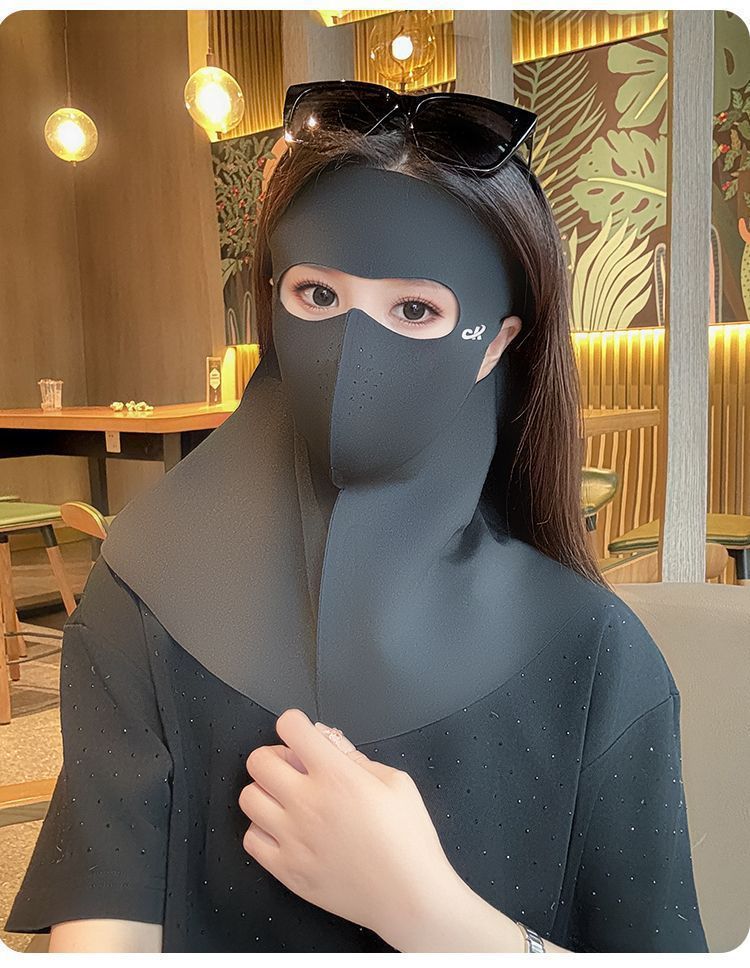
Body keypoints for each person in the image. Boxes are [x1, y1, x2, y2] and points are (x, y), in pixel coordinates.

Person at [4, 80, 708, 954]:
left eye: (415, 309)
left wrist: (430, 914)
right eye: (318, 296)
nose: (353, 353)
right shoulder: (141, 599)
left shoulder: (597, 657)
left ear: (495, 343)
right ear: (272, 301)